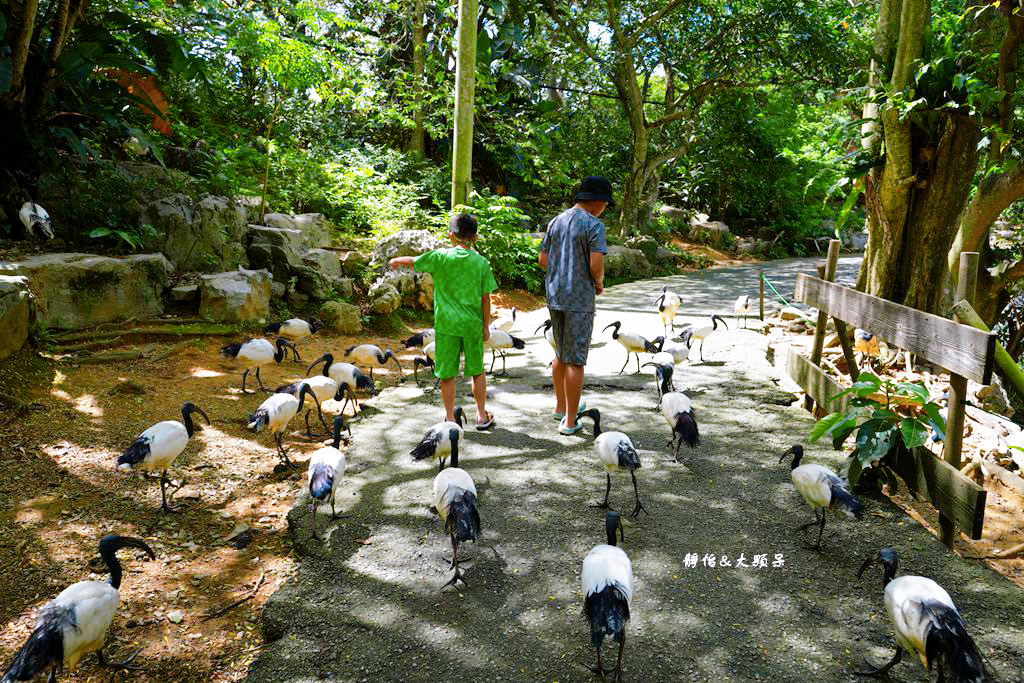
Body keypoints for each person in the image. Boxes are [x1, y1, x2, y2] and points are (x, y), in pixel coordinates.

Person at [390, 212, 498, 430]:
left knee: (447, 373)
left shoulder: (440, 257)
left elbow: (414, 261)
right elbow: (486, 299)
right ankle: (480, 416)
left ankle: (450, 418)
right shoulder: (481, 263)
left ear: (451, 235)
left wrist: (396, 260)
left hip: (447, 325)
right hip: (472, 325)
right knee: (477, 371)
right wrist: (486, 326)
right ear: (475, 237)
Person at [539, 176, 610, 435]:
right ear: (598, 202)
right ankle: (570, 421)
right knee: (576, 361)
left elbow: (543, 259)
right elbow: (595, 264)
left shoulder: (556, 221)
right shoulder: (594, 225)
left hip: (555, 295)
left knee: (561, 354)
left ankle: (560, 407)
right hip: (579, 298)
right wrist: (599, 282)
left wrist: (560, 272)